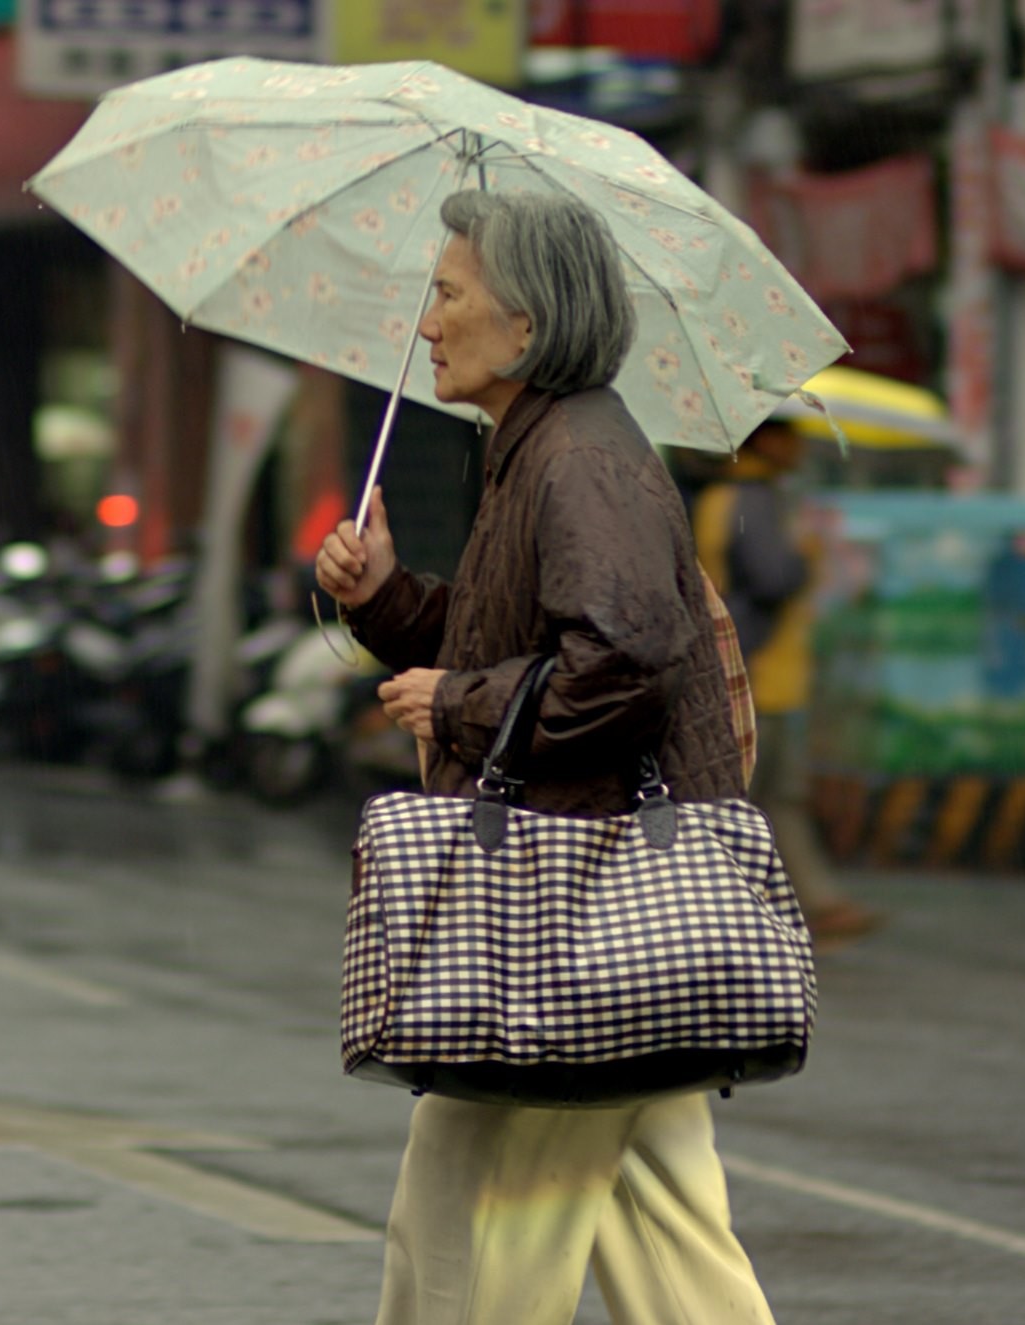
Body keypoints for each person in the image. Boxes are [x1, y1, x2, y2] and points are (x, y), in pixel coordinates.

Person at [317, 189, 780, 1325]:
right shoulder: (536, 451)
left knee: (469, 1234)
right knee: (672, 1246)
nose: (426, 323)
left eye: (446, 294)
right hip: (597, 923)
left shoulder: (576, 458)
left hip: (564, 912)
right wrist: (384, 600)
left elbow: (621, 666)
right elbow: (509, 639)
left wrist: (459, 704)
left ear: (525, 325)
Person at [694, 419, 880, 947]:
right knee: (747, 796)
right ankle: (717, 912)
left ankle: (818, 901)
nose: (797, 448)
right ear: (765, 441)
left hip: (772, 674)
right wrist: (807, 557)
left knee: (780, 797)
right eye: (788, 436)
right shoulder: (746, 499)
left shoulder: (748, 497)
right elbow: (772, 578)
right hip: (754, 673)